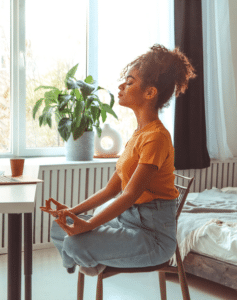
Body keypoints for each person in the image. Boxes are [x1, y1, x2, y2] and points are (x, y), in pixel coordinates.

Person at [40, 44, 197, 276]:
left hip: (152, 237)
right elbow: (110, 189)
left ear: (150, 92)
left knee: (73, 243)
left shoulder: (156, 137)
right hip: (126, 222)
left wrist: (89, 225)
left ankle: (90, 261)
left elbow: (129, 195)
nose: (121, 86)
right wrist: (72, 212)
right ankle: (89, 261)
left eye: (130, 82)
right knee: (59, 229)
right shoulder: (138, 135)